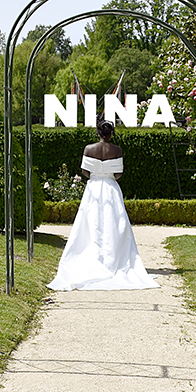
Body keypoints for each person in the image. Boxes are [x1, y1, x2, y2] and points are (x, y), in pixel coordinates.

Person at [48, 119, 158, 290]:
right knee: (115, 223)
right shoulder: (117, 150)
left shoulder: (88, 149)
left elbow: (85, 171)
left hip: (93, 188)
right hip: (111, 188)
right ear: (111, 133)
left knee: (91, 222)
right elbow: (118, 173)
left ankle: (94, 256)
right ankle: (114, 258)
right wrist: (107, 175)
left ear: (98, 132)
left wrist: (96, 175)